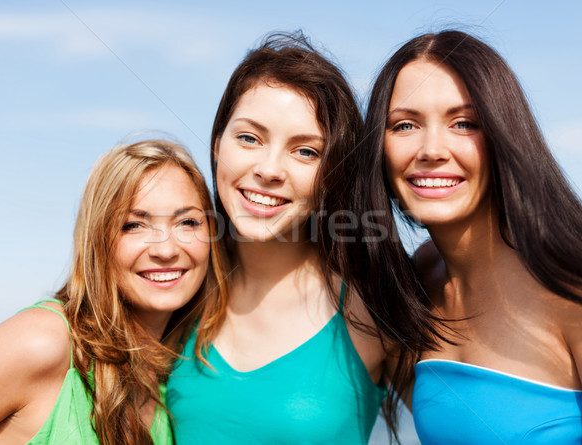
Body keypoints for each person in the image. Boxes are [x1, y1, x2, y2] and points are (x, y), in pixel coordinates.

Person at [166, 32, 440, 444]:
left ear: (333, 173)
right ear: (217, 143)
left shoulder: (373, 306)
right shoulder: (174, 289)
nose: (270, 169)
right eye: (249, 138)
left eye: (305, 152)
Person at [361, 30, 582, 443]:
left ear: (504, 134)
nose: (432, 149)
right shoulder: (417, 282)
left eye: (463, 123)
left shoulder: (570, 282)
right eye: (405, 125)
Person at [0, 139, 224, 444]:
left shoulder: (173, 379)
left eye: (188, 222)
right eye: (134, 225)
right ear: (98, 241)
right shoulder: (42, 341)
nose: (166, 249)